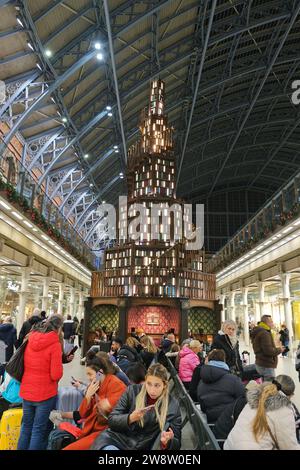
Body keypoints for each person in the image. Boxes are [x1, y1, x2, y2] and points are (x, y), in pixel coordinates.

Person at [90, 363, 181, 451]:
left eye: (157, 385)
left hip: (143, 446)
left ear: (164, 385)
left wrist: (168, 442)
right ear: (145, 381)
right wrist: (130, 418)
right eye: (149, 384)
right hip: (117, 440)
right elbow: (112, 420)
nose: (152, 390)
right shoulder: (132, 391)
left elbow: (177, 443)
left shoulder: (172, 406)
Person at [55, 352, 127, 450]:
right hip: (94, 429)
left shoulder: (116, 384)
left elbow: (117, 410)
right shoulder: (95, 385)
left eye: (90, 374)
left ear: (100, 372)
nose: (88, 378)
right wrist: (88, 397)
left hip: (106, 432)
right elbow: (82, 413)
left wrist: (104, 404)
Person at [17, 315, 64, 450]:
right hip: (44, 394)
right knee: (38, 430)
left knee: (26, 427)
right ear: (59, 328)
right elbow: (56, 375)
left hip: (27, 391)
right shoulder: (54, 344)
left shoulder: (30, 338)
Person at [224, 375, 300, 450]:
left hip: (229, 446)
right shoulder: (284, 410)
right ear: (290, 395)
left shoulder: (254, 400)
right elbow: (289, 446)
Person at [197, 349, 245, 424]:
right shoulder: (232, 379)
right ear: (223, 360)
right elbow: (243, 398)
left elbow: (202, 406)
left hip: (211, 420)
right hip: (230, 421)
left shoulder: (201, 381)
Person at [251, 315, 284, 381]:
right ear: (267, 323)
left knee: (265, 386)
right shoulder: (264, 333)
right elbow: (268, 351)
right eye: (271, 322)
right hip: (266, 365)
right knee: (269, 388)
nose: (273, 323)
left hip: (260, 362)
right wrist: (280, 349)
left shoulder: (259, 331)